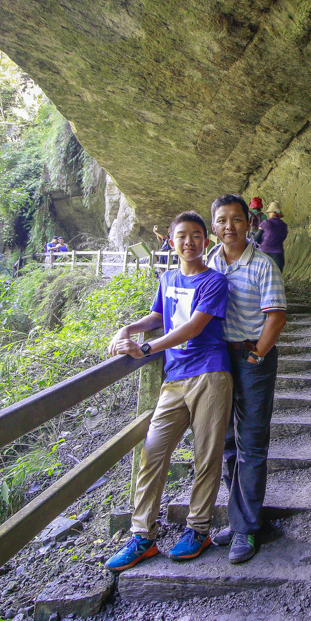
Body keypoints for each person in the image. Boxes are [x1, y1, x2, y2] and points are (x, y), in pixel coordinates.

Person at [103, 211, 233, 571]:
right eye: (182, 236)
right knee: (152, 453)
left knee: (206, 457)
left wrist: (146, 349)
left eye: (196, 235)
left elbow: (194, 327)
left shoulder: (214, 281)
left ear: (205, 242)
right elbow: (158, 316)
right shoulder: (168, 278)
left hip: (210, 373)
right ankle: (143, 536)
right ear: (171, 242)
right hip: (174, 379)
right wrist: (125, 329)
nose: (189, 242)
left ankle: (199, 528)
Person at [205, 194, 287, 564]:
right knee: (225, 441)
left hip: (252, 356)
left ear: (249, 223)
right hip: (218, 358)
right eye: (222, 220)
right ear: (214, 227)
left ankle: (247, 529)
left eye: (236, 219)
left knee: (251, 442)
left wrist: (257, 353)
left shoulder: (263, 265)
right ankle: (240, 518)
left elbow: (276, 317)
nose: (229, 227)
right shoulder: (211, 261)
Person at [257, 200, 288, 272]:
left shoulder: (265, 223)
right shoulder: (284, 225)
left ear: (271, 212)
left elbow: (257, 238)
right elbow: (283, 237)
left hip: (264, 254)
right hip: (278, 255)